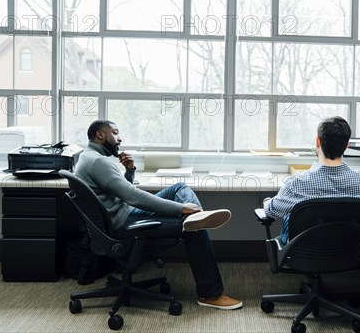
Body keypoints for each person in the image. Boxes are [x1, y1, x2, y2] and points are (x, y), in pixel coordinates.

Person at [75, 120, 242, 310]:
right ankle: (210, 295)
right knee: (195, 230)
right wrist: (181, 209)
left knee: (179, 187)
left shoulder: (88, 156)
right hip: (125, 225)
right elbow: (133, 196)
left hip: (123, 216)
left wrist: (130, 171)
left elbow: (121, 192)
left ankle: (196, 218)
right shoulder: (98, 162)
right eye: (115, 133)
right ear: (100, 135)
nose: (120, 138)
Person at [263, 116, 360, 244]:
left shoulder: (297, 183)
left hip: (302, 254)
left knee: (289, 215)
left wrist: (267, 202)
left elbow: (272, 211)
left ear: (318, 142)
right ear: (347, 145)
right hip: (346, 252)